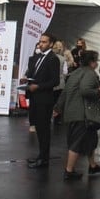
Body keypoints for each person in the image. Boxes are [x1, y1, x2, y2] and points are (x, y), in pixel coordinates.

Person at [55, 49, 100, 179]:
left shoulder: (75, 73)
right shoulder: (89, 74)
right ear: (92, 62)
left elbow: (65, 92)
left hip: (72, 112)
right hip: (83, 114)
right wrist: (99, 91)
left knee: (91, 140)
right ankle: (69, 170)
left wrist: (57, 108)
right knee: (77, 142)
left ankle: (92, 165)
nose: (97, 63)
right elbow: (85, 90)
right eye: (96, 60)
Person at [23, 32, 60, 169]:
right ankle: (40, 155)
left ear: (50, 44)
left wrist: (38, 86)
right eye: (40, 41)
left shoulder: (52, 59)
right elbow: (34, 74)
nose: (41, 44)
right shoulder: (37, 57)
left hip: (44, 99)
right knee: (37, 127)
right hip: (34, 97)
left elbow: (54, 81)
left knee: (44, 129)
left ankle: (44, 158)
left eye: (44, 42)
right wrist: (27, 80)